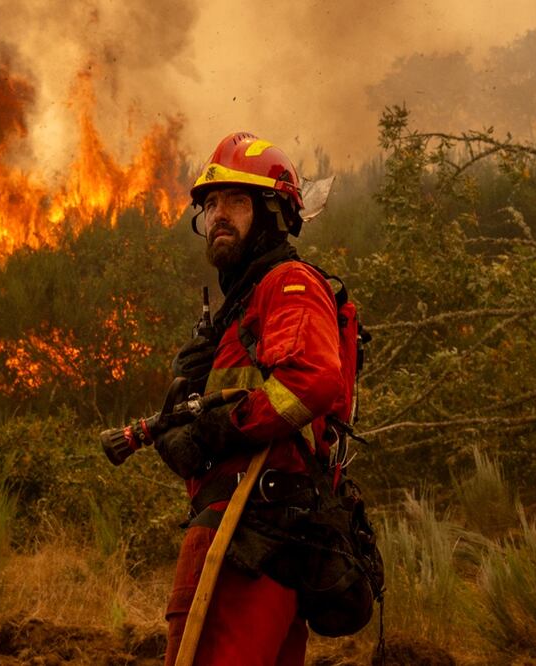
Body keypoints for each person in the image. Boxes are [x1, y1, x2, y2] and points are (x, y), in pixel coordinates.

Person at [154, 132, 344, 665]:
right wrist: (181, 422)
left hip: (255, 529)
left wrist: (222, 427)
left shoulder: (286, 284)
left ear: (275, 213)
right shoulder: (237, 311)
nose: (218, 214)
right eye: (211, 204)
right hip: (242, 528)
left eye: (237, 201)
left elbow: (311, 380)